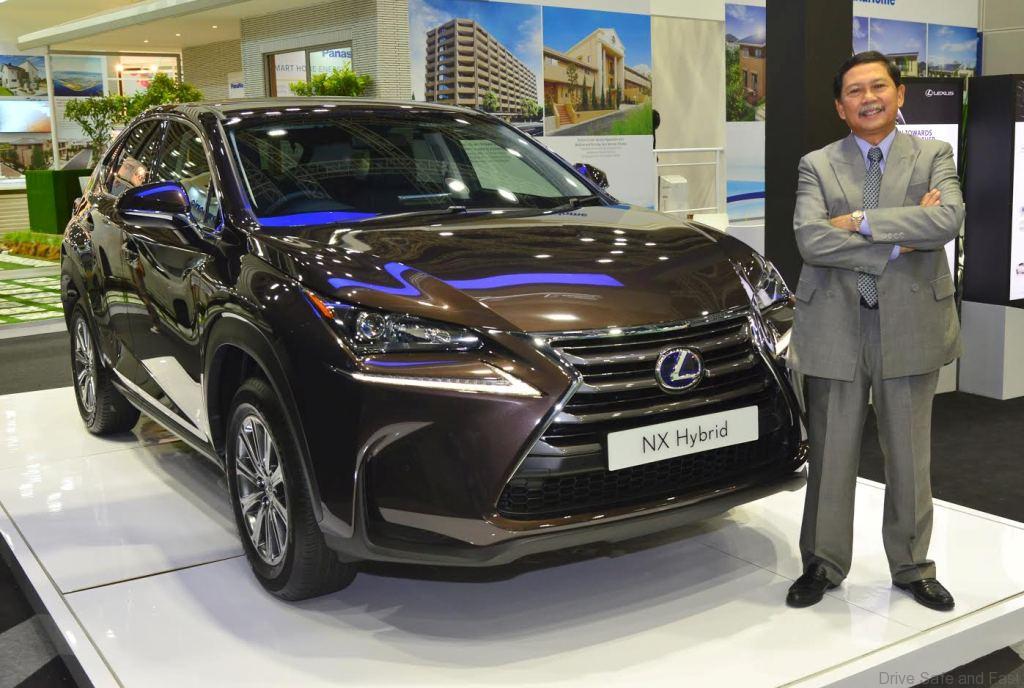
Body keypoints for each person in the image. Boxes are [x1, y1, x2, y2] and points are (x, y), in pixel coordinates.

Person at [785, 51, 964, 611]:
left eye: (879, 86)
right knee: (831, 454)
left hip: (911, 324)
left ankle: (912, 566)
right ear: (840, 107)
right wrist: (896, 242)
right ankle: (822, 564)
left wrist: (861, 222)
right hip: (834, 323)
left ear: (899, 94)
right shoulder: (817, 164)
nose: (869, 98)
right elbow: (811, 239)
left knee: (909, 455)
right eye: (855, 91)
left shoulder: (933, 155)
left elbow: (946, 220)